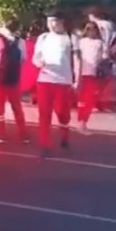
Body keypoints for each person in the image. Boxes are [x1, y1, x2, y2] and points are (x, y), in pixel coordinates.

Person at [32, 10, 80, 157]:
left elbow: (77, 60)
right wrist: (38, 63)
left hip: (63, 81)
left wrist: (77, 78)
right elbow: (35, 58)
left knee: (62, 112)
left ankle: (64, 134)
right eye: (48, 21)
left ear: (61, 22)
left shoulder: (71, 37)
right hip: (45, 80)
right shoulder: (43, 38)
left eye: (54, 21)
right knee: (44, 113)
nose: (51, 25)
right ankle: (45, 144)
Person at [0, 18, 28, 144]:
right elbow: (23, 59)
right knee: (17, 107)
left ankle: (1, 134)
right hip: (14, 77)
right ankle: (23, 134)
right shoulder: (21, 42)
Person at [76, 22, 107, 130]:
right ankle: (80, 120)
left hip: (94, 74)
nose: (91, 31)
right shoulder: (81, 42)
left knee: (89, 99)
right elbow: (77, 57)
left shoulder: (100, 43)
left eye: (93, 29)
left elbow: (104, 57)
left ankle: (84, 121)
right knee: (81, 99)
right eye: (88, 28)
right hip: (82, 73)